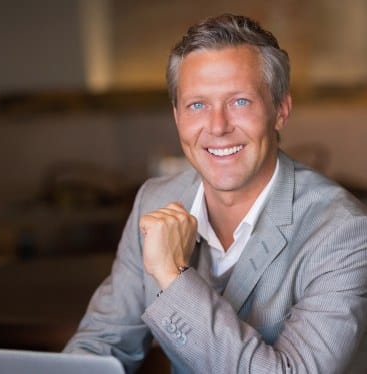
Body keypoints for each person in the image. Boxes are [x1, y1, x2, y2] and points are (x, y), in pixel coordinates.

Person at [64, 13, 367, 373]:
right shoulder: (155, 202)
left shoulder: (343, 232)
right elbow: (102, 345)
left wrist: (172, 276)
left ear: (281, 110)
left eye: (240, 101)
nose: (218, 126)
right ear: (177, 116)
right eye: (197, 105)